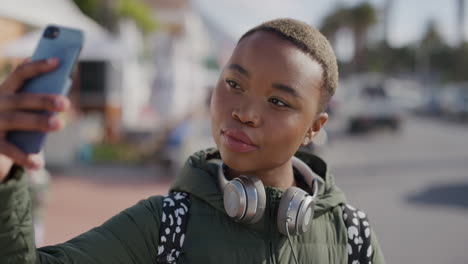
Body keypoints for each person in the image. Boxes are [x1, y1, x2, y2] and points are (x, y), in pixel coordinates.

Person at [0, 18, 385, 263]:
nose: (245, 112)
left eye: (278, 101)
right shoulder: (165, 225)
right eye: (234, 84)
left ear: (314, 127)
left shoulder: (352, 237)